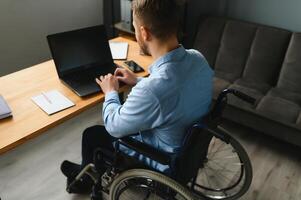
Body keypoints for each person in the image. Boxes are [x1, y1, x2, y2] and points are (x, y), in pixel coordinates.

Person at [60, 0, 214, 195]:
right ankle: (84, 170)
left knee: (91, 134)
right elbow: (172, 93)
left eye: (133, 27)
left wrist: (110, 92)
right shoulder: (198, 59)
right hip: (188, 150)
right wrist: (138, 81)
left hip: (163, 160)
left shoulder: (153, 90)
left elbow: (114, 127)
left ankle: (84, 180)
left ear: (144, 33)